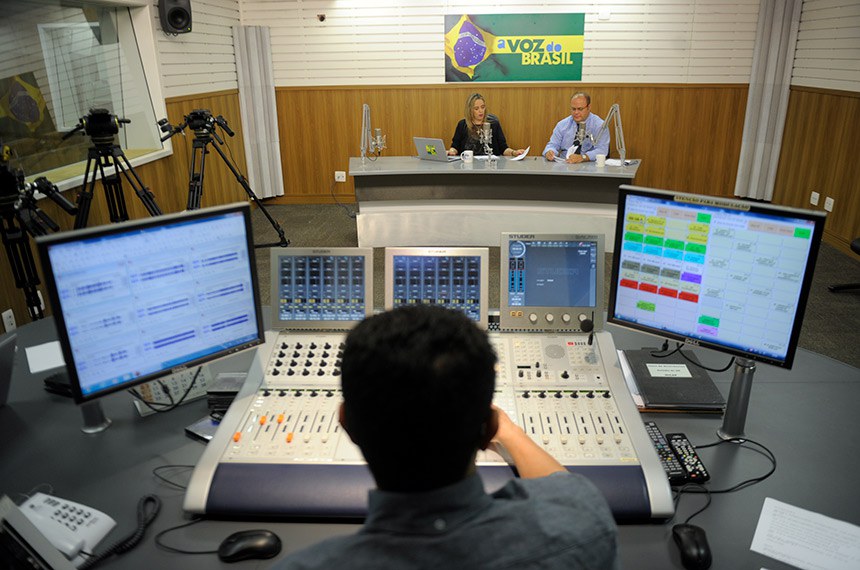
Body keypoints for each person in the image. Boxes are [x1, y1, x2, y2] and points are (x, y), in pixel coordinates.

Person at [274, 305, 618, 569]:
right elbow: (566, 488)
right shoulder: (585, 526)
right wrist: (508, 432)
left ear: (346, 424)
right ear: (488, 430)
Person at [447, 93, 525, 157]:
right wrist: (451, 151)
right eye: (476, 109)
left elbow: (503, 148)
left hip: (491, 166)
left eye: (483, 107)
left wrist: (514, 153)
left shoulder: (494, 124)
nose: (481, 111)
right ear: (470, 110)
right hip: (468, 166)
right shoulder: (462, 125)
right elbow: (455, 146)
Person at [543, 91, 610, 163]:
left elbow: (602, 150)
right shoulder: (562, 125)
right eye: (573, 109)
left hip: (589, 167)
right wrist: (549, 152)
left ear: (589, 107)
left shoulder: (600, 126)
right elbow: (552, 144)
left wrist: (583, 157)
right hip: (565, 166)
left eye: (580, 109)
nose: (576, 112)